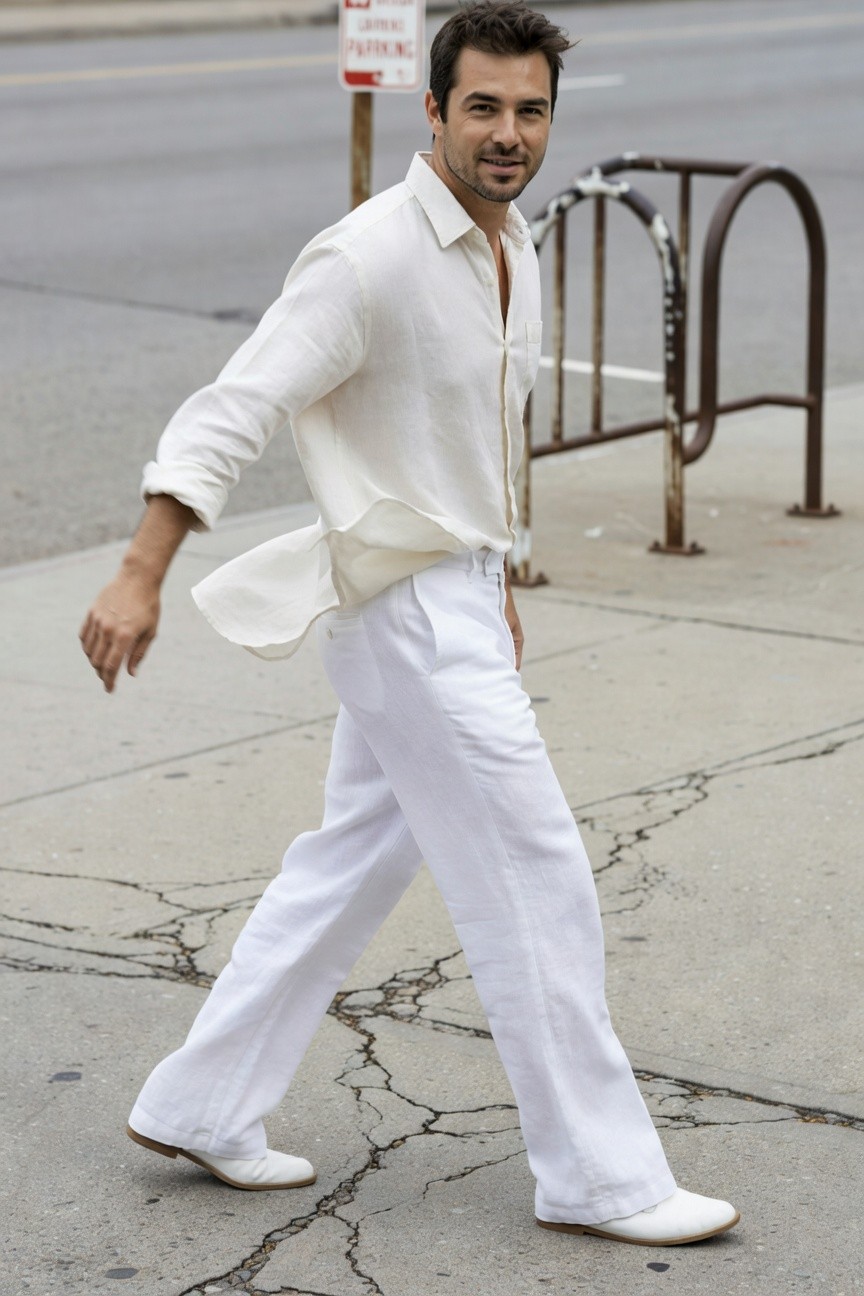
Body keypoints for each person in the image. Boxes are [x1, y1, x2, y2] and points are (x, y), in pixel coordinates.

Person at [79, 0, 739, 1247]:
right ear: (430, 111)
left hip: (458, 601)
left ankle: (204, 1102)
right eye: (482, 107)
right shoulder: (367, 256)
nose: (508, 132)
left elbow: (482, 443)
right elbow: (237, 405)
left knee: (349, 865)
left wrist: (498, 586)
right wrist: (139, 570)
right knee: (536, 875)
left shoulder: (515, 241)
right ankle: (598, 1176)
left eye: (530, 110)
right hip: (406, 618)